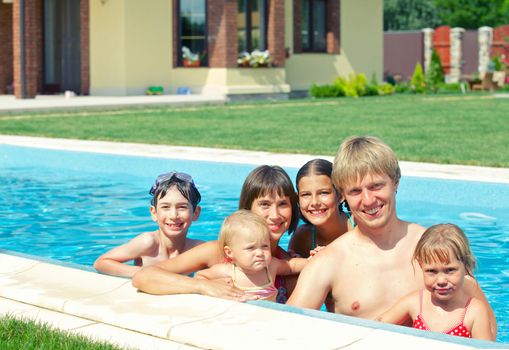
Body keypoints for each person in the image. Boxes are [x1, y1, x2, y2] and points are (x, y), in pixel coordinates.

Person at [287, 136, 496, 338]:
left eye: (376, 186)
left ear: (395, 182)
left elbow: (488, 331)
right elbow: (284, 330)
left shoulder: (435, 248)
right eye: (355, 191)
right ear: (342, 195)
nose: (368, 200)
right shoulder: (330, 261)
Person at [132, 165, 300, 302]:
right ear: (248, 209)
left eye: (283, 204)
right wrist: (203, 286)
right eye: (265, 204)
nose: (275, 214)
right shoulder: (217, 251)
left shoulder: (284, 263)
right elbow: (144, 277)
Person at [377, 224, 493, 340]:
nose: (441, 280)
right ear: (421, 266)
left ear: (466, 266)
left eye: (450, 270)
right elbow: (374, 327)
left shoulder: (475, 311)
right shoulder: (415, 302)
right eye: (432, 271)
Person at [94, 171, 202, 277]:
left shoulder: (198, 250)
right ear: (154, 213)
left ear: (196, 213)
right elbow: (102, 263)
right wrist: (146, 273)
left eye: (182, 207)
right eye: (165, 207)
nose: (173, 216)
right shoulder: (148, 242)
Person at [195, 210, 307, 301]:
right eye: (250, 248)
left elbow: (291, 266)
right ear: (230, 252)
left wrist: (311, 261)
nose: (259, 253)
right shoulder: (227, 271)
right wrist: (215, 285)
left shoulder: (271, 266)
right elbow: (199, 276)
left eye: (264, 246)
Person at [288, 159, 352, 259]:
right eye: (306, 194)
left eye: (323, 193)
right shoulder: (302, 237)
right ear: (298, 199)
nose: (314, 202)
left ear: (340, 195)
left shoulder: (359, 225)